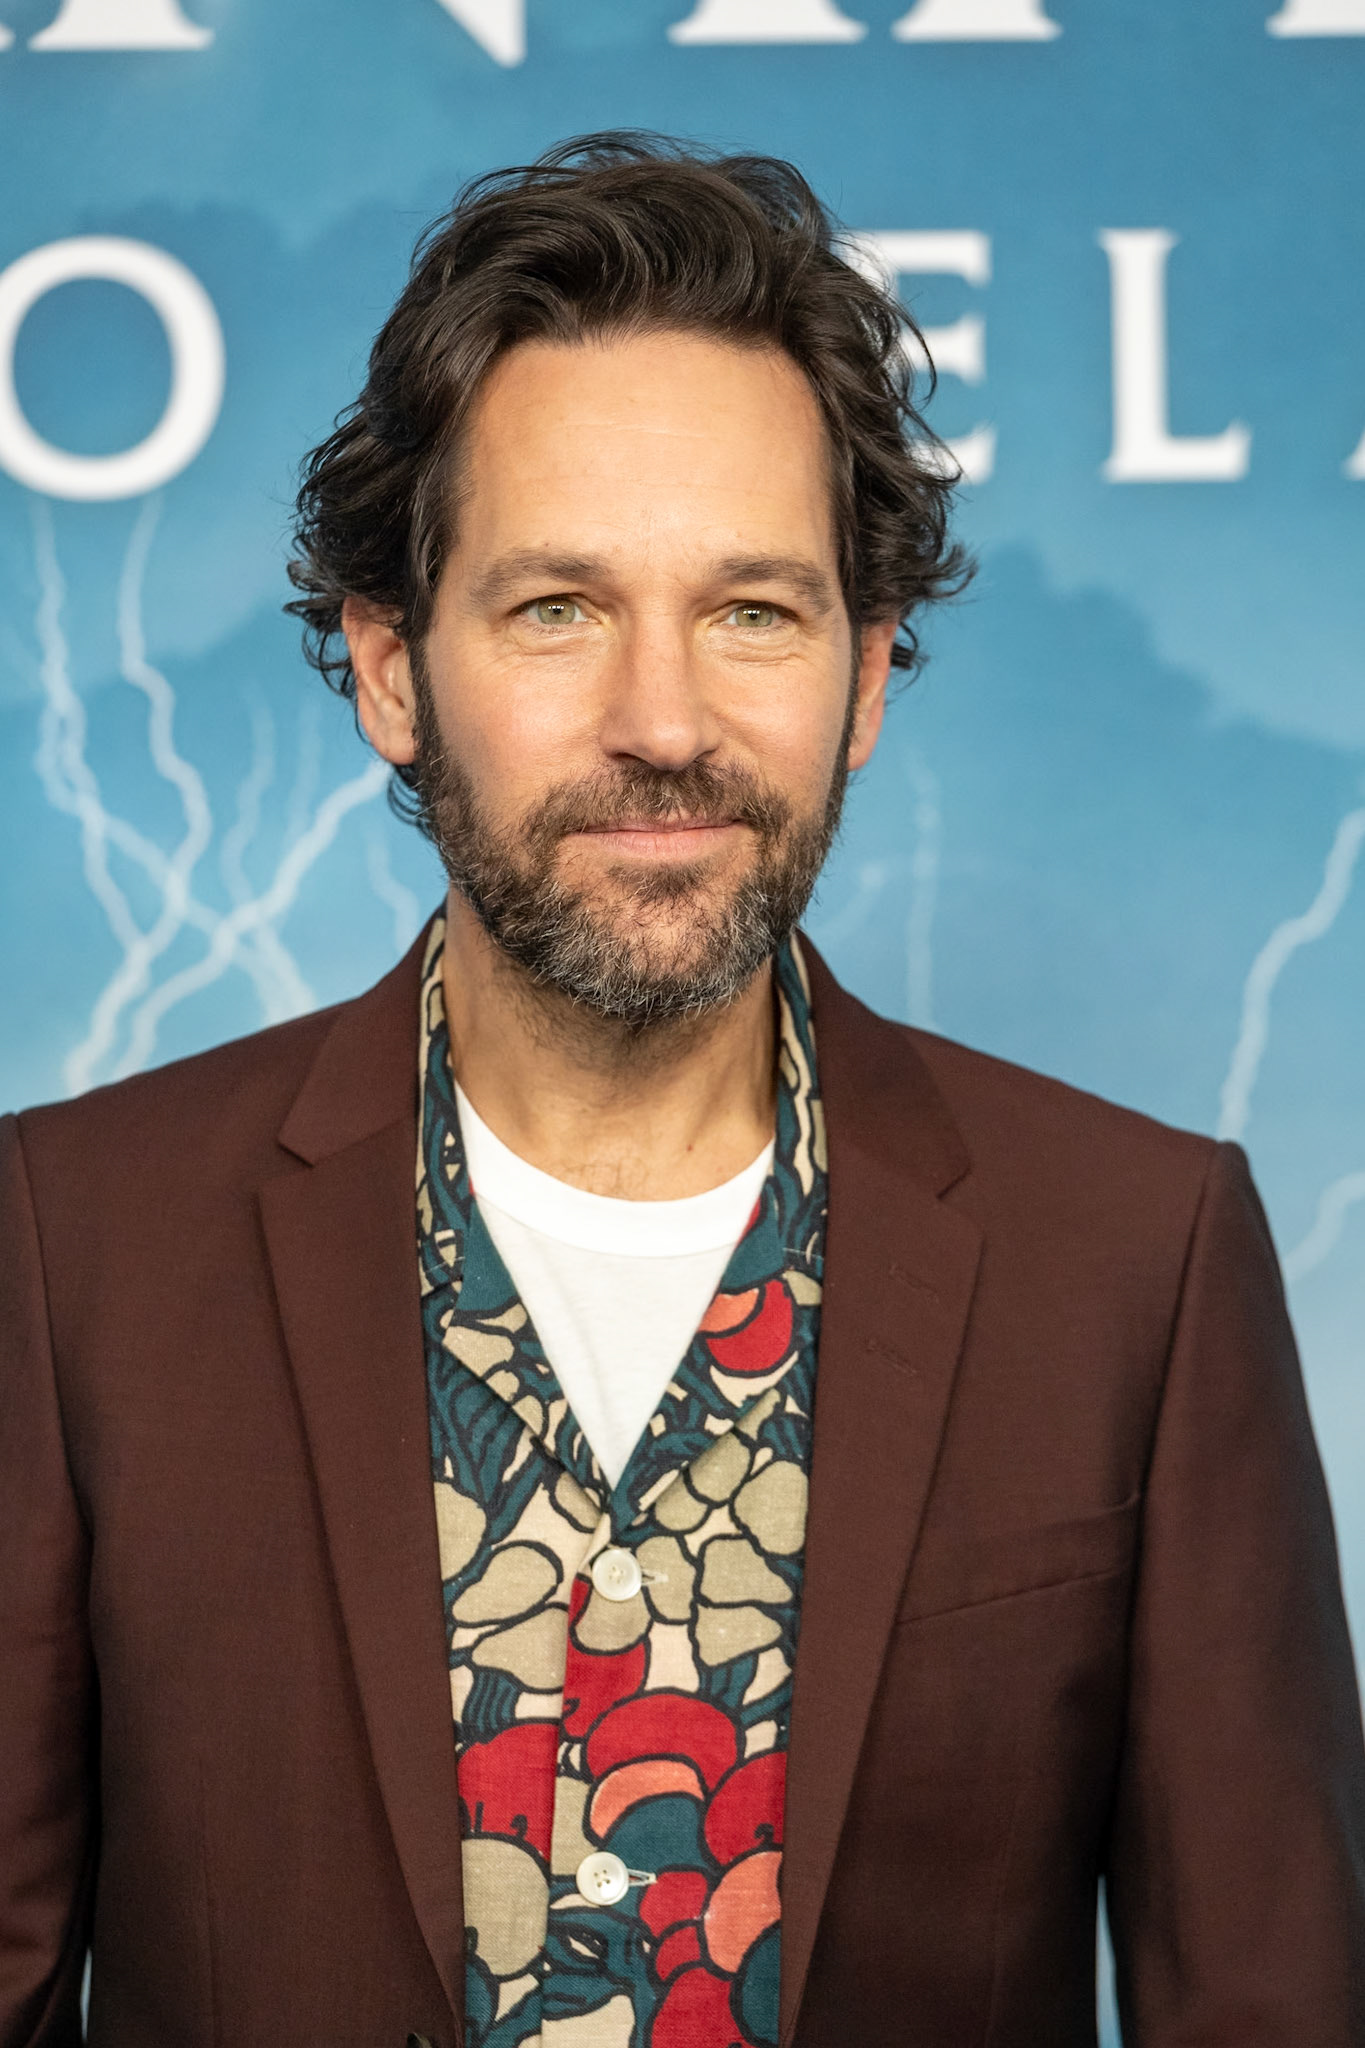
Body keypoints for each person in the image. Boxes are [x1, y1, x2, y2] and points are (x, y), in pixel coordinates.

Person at [2, 131, 1362, 2048]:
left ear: (868, 676)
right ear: (392, 669)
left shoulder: (1134, 1262)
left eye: (754, 611)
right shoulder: (73, 1250)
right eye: (557, 607)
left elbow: (1274, 2004)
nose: (664, 720)